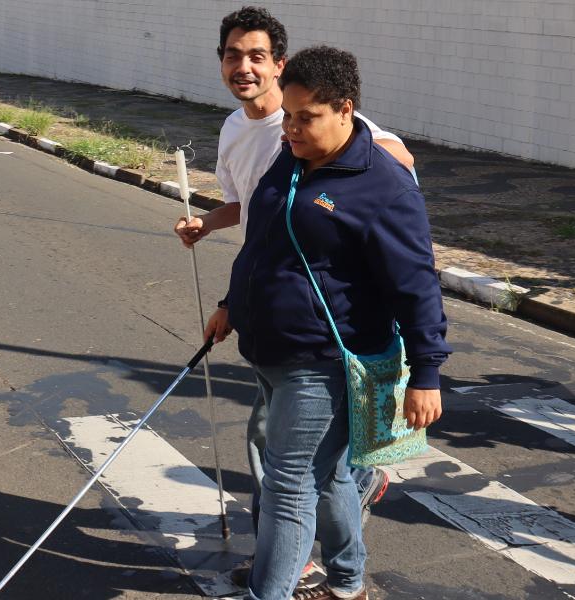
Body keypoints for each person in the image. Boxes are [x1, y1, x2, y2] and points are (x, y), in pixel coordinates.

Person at [174, 6, 408, 589]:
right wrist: (208, 226)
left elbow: (395, 165)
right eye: (233, 55)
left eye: (257, 56)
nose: (243, 67)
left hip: (320, 332)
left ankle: (288, 560)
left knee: (281, 465)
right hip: (267, 313)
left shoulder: (314, 115)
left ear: (279, 64)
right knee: (309, 469)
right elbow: (256, 217)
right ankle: (348, 559)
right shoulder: (237, 131)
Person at [204, 45, 450, 600]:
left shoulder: (383, 186)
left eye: (305, 117)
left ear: (345, 109)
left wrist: (428, 373)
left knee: (289, 485)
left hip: (324, 363)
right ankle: (347, 581)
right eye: (286, 115)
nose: (290, 128)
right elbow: (264, 245)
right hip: (268, 351)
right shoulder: (288, 161)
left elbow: (415, 285)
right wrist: (230, 305)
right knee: (331, 476)